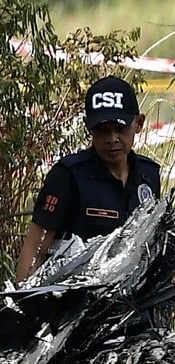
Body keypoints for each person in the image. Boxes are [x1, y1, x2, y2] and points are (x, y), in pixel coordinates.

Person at [16, 76, 161, 282]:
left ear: (138, 124)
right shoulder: (68, 175)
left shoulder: (149, 176)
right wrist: (22, 303)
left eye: (120, 129)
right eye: (102, 130)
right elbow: (36, 246)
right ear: (88, 128)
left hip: (132, 303)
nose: (112, 139)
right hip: (76, 303)